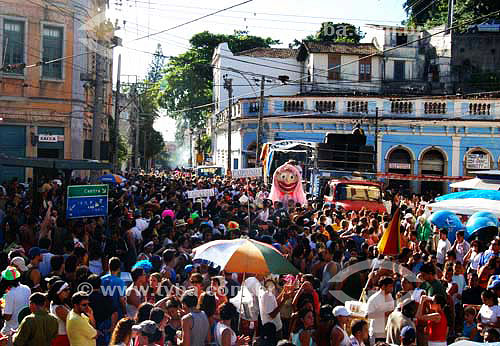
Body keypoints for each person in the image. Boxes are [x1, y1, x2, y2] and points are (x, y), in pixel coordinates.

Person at [0, 266, 31, 336]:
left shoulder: (9, 293)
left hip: (10, 332)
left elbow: (7, 317)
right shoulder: (27, 288)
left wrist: (1, 308)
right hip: (25, 329)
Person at [366, 276, 394, 343]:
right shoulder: (373, 299)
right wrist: (384, 314)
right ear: (383, 286)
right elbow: (367, 315)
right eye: (390, 286)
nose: (392, 288)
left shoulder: (390, 297)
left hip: (387, 334)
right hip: (377, 335)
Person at [48, 280, 71, 346]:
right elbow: (71, 321)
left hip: (64, 337)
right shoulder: (58, 308)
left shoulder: (62, 304)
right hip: (61, 338)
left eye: (68, 289)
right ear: (58, 292)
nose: (68, 291)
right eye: (65, 290)